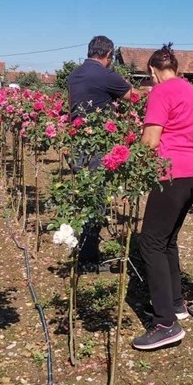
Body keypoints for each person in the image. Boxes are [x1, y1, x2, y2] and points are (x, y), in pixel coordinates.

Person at [132, 44, 193, 350]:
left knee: (149, 242)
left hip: (171, 174)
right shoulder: (191, 90)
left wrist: (130, 166)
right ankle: (175, 304)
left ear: (152, 71)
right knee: (167, 240)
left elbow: (150, 142)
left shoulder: (160, 92)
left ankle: (165, 324)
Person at [67, 36, 142, 271]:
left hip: (79, 143)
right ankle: (88, 258)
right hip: (98, 145)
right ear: (108, 54)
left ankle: (82, 247)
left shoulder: (75, 74)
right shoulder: (105, 75)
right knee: (96, 199)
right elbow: (135, 96)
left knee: (84, 195)